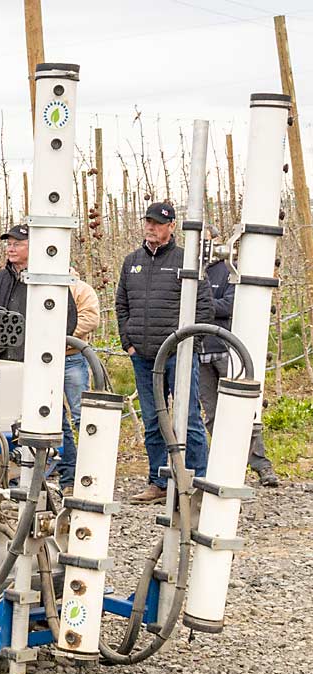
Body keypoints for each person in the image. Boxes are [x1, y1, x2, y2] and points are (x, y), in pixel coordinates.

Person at [116, 203, 213, 504]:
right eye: (148, 222)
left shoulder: (186, 261)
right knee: (153, 419)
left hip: (178, 356)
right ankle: (158, 482)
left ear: (172, 226)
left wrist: (190, 344)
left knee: (189, 418)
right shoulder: (132, 262)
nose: (151, 227)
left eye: (158, 223)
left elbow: (204, 307)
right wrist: (128, 343)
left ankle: (198, 482)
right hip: (143, 358)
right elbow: (121, 305)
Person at [198, 226, 278, 487]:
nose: (203, 247)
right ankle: (227, 461)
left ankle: (260, 464)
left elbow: (231, 304)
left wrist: (202, 307)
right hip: (200, 352)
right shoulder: (191, 274)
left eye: (207, 241)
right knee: (211, 414)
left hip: (227, 350)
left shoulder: (229, 270)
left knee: (244, 409)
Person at [0, 224, 78, 362]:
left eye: (17, 244)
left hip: (36, 362)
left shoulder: (47, 279)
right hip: (1, 359)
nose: (11, 249)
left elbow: (68, 318)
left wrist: (48, 352)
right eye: (9, 244)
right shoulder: (1, 278)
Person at [57, 268, 101, 494]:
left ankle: (90, 471)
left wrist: (57, 336)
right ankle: (68, 472)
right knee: (52, 416)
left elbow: (90, 318)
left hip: (72, 358)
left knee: (80, 415)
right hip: (41, 361)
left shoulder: (81, 290)